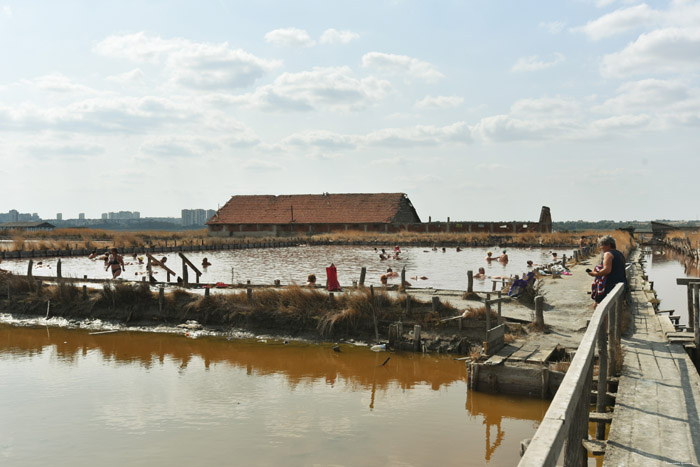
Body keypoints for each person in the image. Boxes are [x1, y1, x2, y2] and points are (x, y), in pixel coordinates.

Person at [587, 235, 626, 307]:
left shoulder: (608, 254)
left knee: (597, 306)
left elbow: (607, 270)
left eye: (601, 245)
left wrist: (594, 273)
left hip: (609, 285)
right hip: (620, 284)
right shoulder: (619, 253)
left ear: (608, 245)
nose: (600, 247)